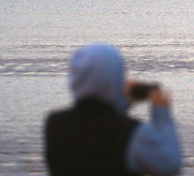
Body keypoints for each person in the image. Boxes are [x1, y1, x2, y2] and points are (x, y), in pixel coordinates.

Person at [44, 43, 181, 176]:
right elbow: (169, 166)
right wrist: (161, 115)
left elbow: (97, 123)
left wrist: (123, 102)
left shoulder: (55, 124)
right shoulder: (132, 132)